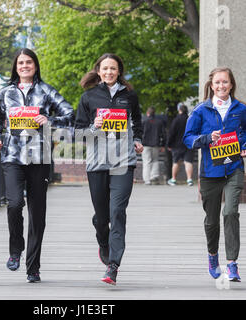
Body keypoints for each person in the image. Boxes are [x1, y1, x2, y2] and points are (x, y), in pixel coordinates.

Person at [0, 48, 74, 283]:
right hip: (12, 156)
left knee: (37, 213)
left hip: (39, 157)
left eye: (29, 62)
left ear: (35, 65)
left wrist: (50, 120)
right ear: (15, 67)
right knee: (15, 203)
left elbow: (69, 113)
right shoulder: (6, 93)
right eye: (20, 63)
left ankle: (33, 267)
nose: (25, 66)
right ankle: (15, 250)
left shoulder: (46, 90)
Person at [75, 53, 143, 285]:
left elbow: (137, 123)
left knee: (117, 212)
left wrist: (138, 140)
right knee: (102, 217)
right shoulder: (89, 97)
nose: (109, 72)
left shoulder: (130, 96)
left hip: (124, 161)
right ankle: (103, 241)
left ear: (119, 71)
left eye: (113, 69)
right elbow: (79, 133)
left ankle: (113, 265)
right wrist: (94, 126)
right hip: (97, 163)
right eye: (105, 69)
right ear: (98, 71)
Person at [183, 67, 246, 282]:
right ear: (211, 85)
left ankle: (232, 264)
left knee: (230, 212)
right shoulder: (201, 110)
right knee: (212, 220)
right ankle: (213, 256)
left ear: (231, 84)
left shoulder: (241, 109)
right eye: (217, 83)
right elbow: (188, 138)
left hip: (234, 168)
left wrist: (245, 145)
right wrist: (206, 138)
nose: (221, 86)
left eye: (225, 82)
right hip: (210, 171)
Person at [167, 103, 194, 186]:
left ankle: (173, 179)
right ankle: (189, 179)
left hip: (177, 145)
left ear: (179, 110)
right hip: (189, 143)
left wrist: (169, 144)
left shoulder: (176, 120)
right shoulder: (190, 119)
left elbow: (172, 133)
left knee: (176, 162)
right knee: (188, 161)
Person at [142, 107, 165, 185]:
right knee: (155, 160)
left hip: (145, 144)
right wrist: (163, 145)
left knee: (146, 161)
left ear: (147, 113)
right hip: (156, 144)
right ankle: (154, 176)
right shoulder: (159, 122)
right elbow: (163, 134)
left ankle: (147, 180)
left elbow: (140, 132)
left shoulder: (144, 121)